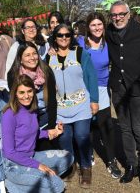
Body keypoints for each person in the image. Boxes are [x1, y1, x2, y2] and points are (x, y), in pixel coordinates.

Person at [105, 0, 140, 183]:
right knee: (126, 129)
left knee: (138, 128)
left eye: (121, 14)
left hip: (138, 87)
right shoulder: (108, 31)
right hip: (118, 88)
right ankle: (131, 165)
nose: (118, 17)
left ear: (129, 14)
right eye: (114, 15)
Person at [46, 23, 98, 188]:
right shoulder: (48, 57)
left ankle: (86, 167)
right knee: (65, 138)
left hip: (81, 105)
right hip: (60, 108)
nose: (63, 38)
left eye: (67, 35)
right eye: (60, 35)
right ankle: (70, 165)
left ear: (71, 37)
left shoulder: (79, 53)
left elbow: (91, 75)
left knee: (81, 136)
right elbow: (42, 77)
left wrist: (94, 100)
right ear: (55, 38)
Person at [2, 74, 73, 193]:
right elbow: (9, 152)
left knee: (68, 157)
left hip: (32, 156)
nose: (26, 96)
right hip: (13, 164)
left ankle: (26, 185)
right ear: (15, 93)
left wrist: (54, 132)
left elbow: (32, 133)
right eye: (22, 92)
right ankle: (13, 185)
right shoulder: (9, 114)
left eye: (29, 91)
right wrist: (38, 165)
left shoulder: (32, 109)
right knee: (57, 185)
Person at [78, 12, 122, 179]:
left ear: (104, 25)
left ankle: (111, 160)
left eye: (99, 24)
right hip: (83, 88)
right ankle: (87, 154)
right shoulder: (80, 42)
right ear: (88, 27)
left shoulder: (109, 42)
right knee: (87, 124)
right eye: (93, 25)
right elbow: (60, 46)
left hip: (102, 88)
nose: (97, 28)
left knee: (106, 125)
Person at [7, 42, 57, 150]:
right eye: (27, 55)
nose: (32, 57)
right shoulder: (13, 75)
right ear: (20, 59)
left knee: (47, 148)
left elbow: (52, 101)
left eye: (34, 54)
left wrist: (52, 127)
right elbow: (16, 103)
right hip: (26, 119)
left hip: (45, 116)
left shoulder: (46, 70)